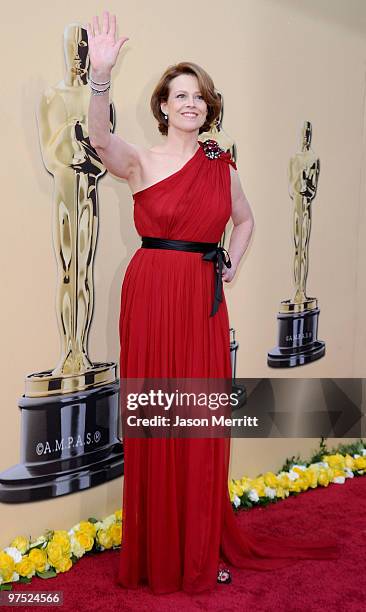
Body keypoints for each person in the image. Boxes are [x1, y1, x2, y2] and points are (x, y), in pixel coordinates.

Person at [87, 10, 339, 595]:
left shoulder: (221, 165)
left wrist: (232, 261)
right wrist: (101, 76)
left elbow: (246, 222)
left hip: (201, 297)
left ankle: (198, 548)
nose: (189, 104)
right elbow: (99, 138)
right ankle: (156, 552)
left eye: (198, 97)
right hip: (150, 294)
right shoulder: (142, 161)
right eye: (179, 96)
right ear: (163, 106)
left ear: (209, 106)